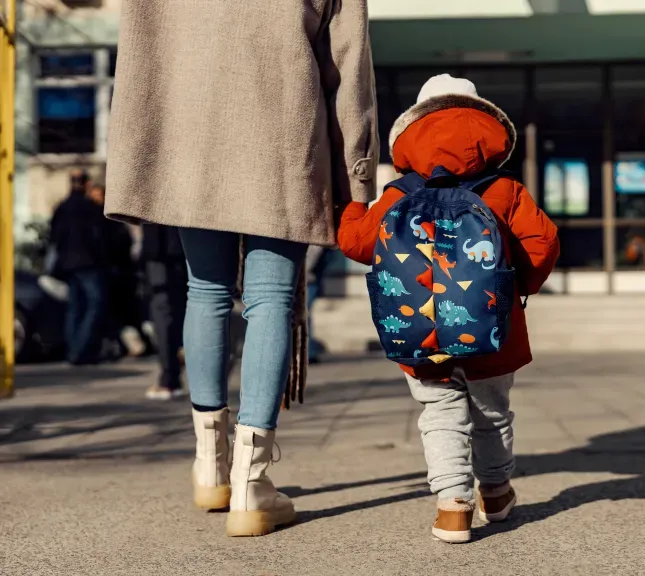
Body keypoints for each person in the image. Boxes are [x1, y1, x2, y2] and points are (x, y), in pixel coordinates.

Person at [105, 1, 377, 537]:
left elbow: (140, 54)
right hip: (283, 135)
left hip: (190, 142)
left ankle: (211, 467)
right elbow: (349, 62)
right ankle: (251, 486)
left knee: (203, 290)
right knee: (271, 299)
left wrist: (141, 150)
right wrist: (358, 172)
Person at [337, 75, 560, 543]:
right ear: (487, 130)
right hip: (493, 326)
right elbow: (542, 244)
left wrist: (354, 209)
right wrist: (520, 285)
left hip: (420, 331)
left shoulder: (399, 194)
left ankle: (452, 508)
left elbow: (357, 243)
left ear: (412, 134)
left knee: (439, 413)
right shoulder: (505, 190)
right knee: (492, 411)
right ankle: (496, 494)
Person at [49, 169, 109, 365]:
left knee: (75, 308)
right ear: (85, 184)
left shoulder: (62, 207)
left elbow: (54, 237)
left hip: (68, 264)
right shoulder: (89, 207)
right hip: (88, 262)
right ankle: (81, 349)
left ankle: (74, 349)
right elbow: (99, 236)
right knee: (96, 303)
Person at [87, 182, 149, 360]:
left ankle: (128, 345)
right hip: (112, 269)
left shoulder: (108, 219)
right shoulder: (99, 217)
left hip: (116, 271)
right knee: (117, 312)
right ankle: (127, 344)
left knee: (119, 312)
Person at [141, 224, 188, 401]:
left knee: (163, 308)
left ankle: (169, 376)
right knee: (193, 303)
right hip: (190, 239)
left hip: (162, 246)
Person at [305, 246, 329, 364]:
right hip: (308, 275)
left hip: (308, 277)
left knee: (303, 313)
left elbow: (316, 248)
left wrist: (304, 269)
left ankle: (308, 352)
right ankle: (308, 351)